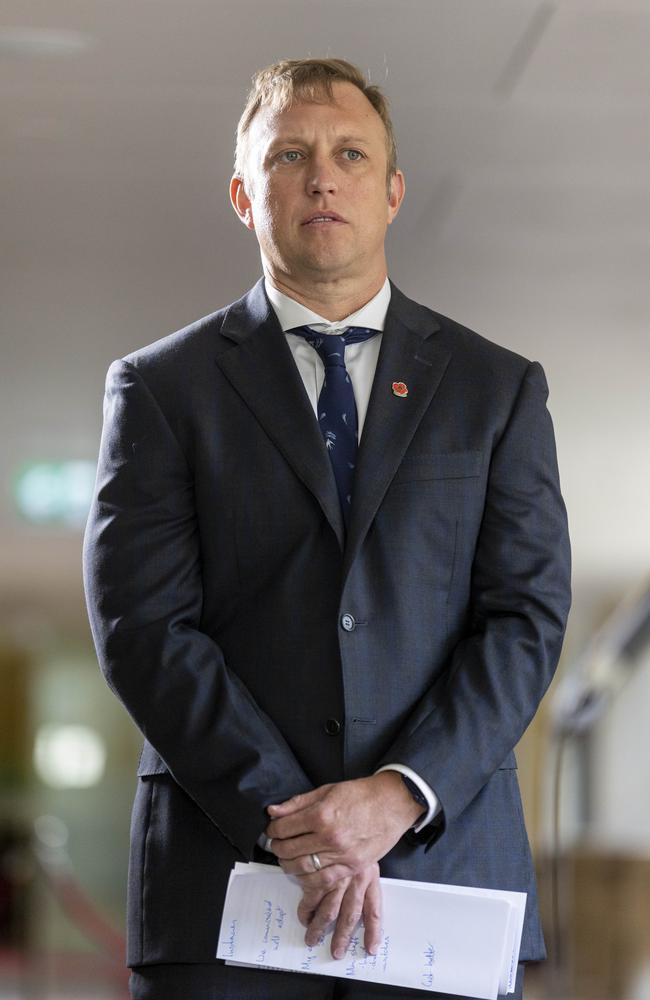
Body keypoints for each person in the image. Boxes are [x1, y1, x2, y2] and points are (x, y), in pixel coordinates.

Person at [83, 58, 571, 999]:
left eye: (351, 153)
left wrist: (397, 795)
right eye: (290, 156)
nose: (322, 176)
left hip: (446, 879)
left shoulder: (497, 390)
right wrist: (293, 824)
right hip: (227, 882)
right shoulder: (160, 388)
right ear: (242, 194)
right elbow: (144, 629)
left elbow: (525, 619)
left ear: (392, 193)